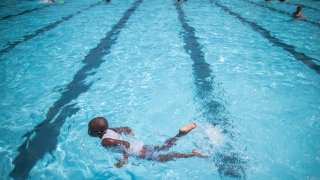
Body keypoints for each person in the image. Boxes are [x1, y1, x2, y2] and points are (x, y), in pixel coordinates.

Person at [88, 117, 208, 168]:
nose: (89, 132)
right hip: (140, 145)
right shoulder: (110, 129)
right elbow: (126, 128)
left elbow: (126, 144)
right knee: (164, 147)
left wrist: (124, 160)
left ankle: (194, 154)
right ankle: (180, 134)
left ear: (98, 133)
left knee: (166, 157)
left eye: (90, 130)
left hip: (138, 152)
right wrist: (132, 136)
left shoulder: (105, 141)